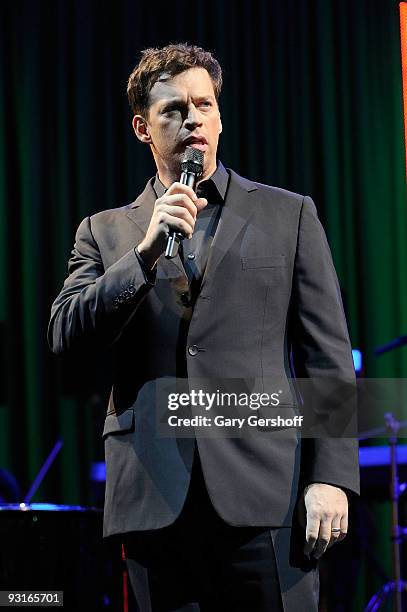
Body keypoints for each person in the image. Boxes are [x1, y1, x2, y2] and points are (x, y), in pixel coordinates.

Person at [48, 43, 360, 611]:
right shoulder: (105, 232)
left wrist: (331, 477)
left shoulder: (287, 215)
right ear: (143, 127)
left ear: (219, 116)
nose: (192, 118)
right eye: (174, 109)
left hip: (266, 495)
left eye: (204, 105)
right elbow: (66, 337)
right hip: (154, 499)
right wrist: (142, 257)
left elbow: (327, 357)